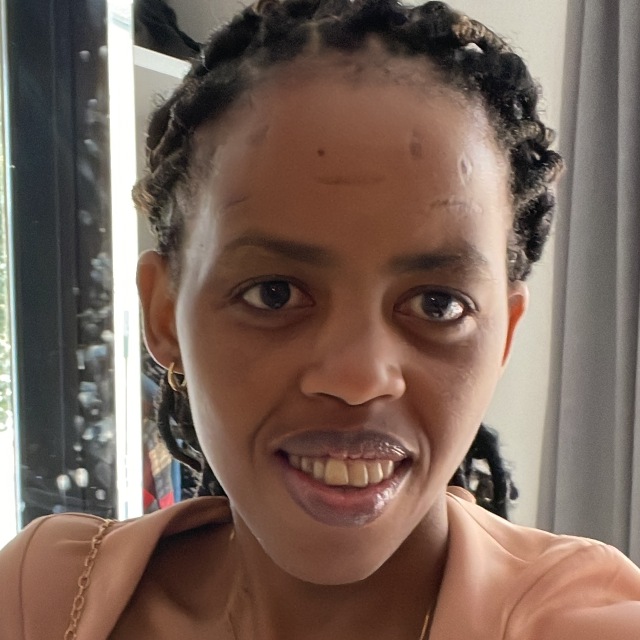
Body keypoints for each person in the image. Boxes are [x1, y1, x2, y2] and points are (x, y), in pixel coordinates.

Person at [2, 1, 640, 638]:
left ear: (503, 337)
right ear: (165, 315)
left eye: (438, 305)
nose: (358, 378)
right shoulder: (44, 596)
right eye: (274, 294)